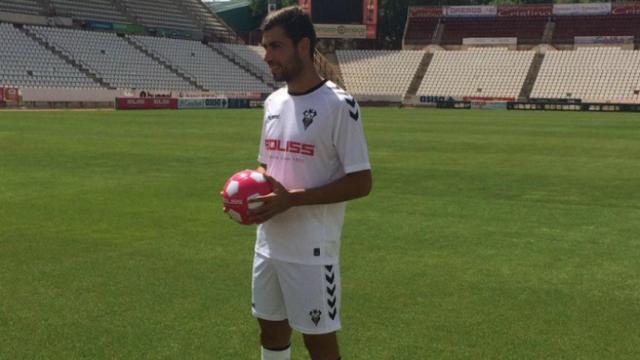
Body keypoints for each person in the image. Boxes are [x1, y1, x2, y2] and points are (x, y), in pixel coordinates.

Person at [247, 6, 372, 360]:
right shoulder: (273, 102)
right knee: (270, 330)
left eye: (276, 46)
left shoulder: (340, 105)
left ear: (303, 46)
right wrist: (248, 191)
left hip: (312, 251)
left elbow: (362, 181)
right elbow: (267, 165)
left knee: (318, 342)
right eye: (265, 48)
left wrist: (294, 199)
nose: (267, 56)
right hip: (268, 244)